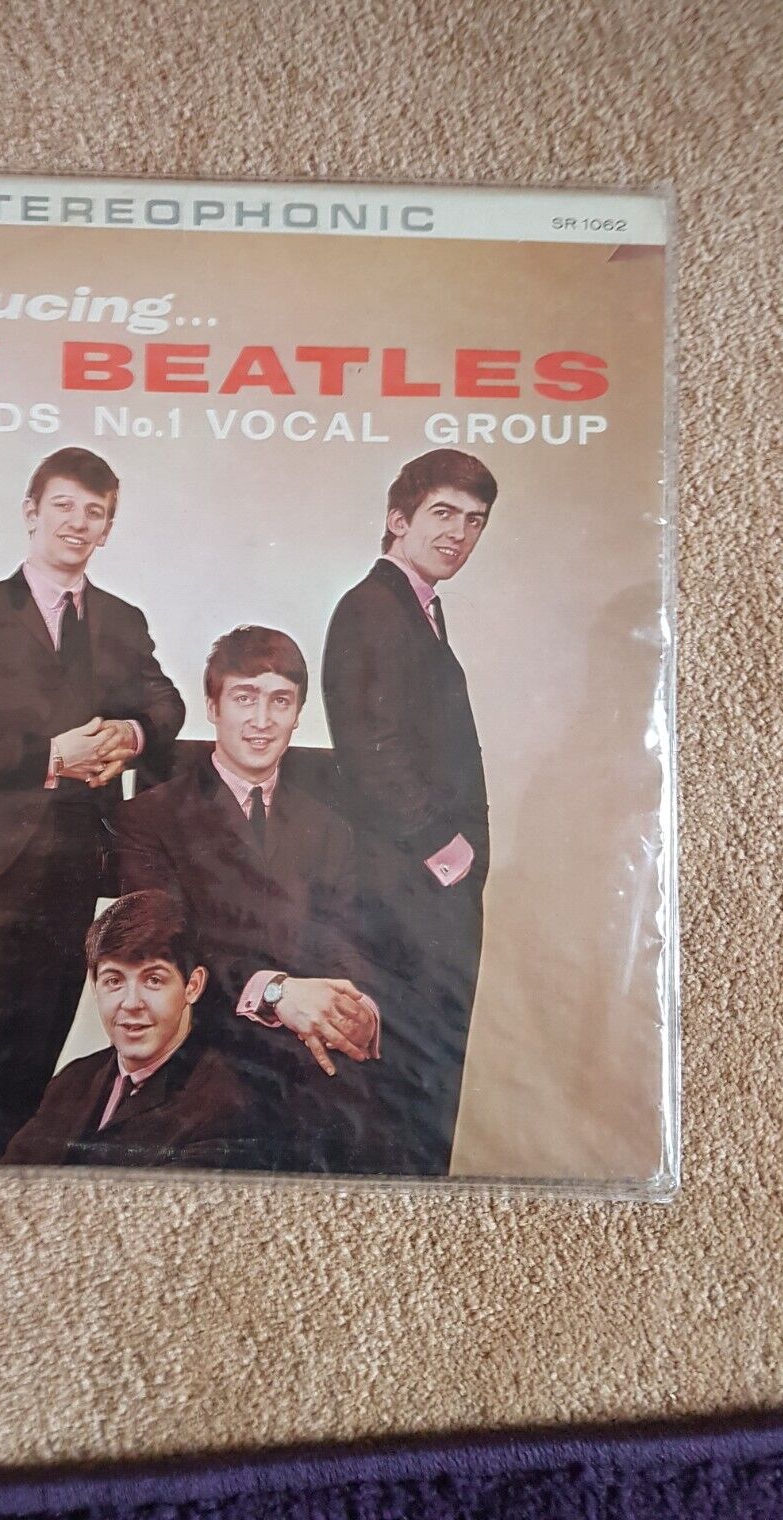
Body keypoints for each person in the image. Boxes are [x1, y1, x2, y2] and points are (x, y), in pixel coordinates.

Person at [0, 447, 184, 1163]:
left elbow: (166, 705)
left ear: (108, 529)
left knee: (33, 1076)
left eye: (94, 512)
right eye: (63, 505)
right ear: (31, 512)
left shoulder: (122, 620)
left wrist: (131, 734)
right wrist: (50, 757)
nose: (78, 522)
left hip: (71, 874)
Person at [114, 626, 382, 1174]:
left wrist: (358, 1013)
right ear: (213, 707)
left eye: (280, 701)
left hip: (310, 1058)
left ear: (298, 714)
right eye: (245, 698)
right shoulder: (150, 819)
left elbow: (346, 942)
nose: (262, 720)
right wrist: (275, 991)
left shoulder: (329, 829)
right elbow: (164, 955)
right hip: (204, 1054)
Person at [322, 447, 497, 1175]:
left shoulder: (416, 608)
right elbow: (372, 747)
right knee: (405, 1091)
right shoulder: (373, 608)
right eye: (443, 513)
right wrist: (448, 853)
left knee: (423, 1085)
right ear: (398, 520)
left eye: (474, 520)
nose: (459, 533)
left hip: (421, 888)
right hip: (405, 891)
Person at [0, 890, 258, 1170]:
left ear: (192, 986)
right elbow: (7, 1184)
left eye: (153, 980)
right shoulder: (72, 1080)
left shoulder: (223, 1106)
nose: (131, 1003)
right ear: (94, 986)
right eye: (114, 981)